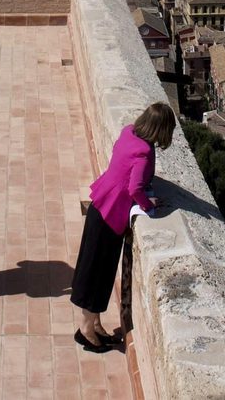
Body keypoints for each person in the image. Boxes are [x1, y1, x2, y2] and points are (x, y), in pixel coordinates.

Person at [70, 101, 177, 352]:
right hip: (112, 214)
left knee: (99, 271)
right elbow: (135, 188)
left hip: (101, 205)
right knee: (96, 273)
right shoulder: (144, 153)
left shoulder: (128, 132)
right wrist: (146, 202)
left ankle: (94, 325)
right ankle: (86, 330)